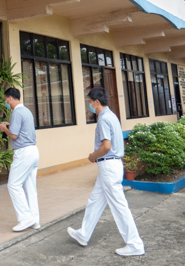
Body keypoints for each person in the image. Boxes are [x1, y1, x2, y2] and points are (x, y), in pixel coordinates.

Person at [67, 88, 144, 257]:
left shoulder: (103, 119)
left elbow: (106, 146)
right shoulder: (112, 116)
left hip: (108, 165)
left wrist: (93, 156)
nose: (89, 105)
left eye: (90, 101)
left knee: (119, 206)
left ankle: (135, 244)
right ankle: (84, 234)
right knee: (95, 199)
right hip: (111, 166)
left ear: (96, 102)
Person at [0, 87, 40, 232]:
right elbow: (20, 130)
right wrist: (10, 127)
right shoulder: (26, 111)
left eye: (6, 100)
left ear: (10, 98)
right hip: (33, 151)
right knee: (30, 188)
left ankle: (25, 218)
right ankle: (35, 221)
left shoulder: (16, 112)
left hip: (23, 153)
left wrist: (5, 129)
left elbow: (14, 135)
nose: (6, 103)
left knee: (13, 185)